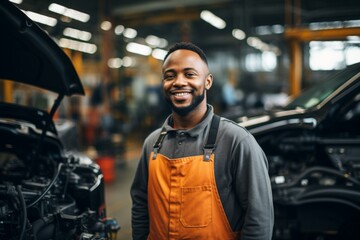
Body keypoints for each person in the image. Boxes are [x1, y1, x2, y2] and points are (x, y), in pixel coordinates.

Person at [131, 42, 274, 240]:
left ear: (207, 82)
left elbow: (259, 220)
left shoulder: (236, 141)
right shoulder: (152, 144)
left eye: (189, 74)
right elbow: (140, 205)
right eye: (170, 76)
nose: (179, 82)